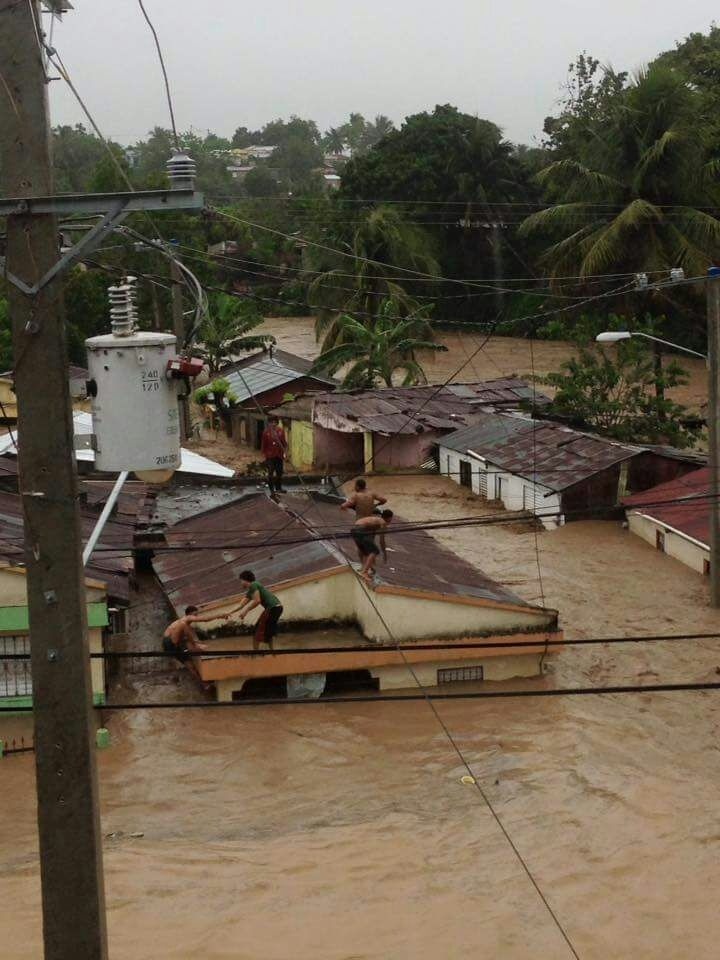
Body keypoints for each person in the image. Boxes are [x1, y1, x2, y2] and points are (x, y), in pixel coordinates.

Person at [227, 571, 284, 650]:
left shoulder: (254, 585)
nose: (241, 583)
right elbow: (241, 605)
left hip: (272, 608)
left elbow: (257, 600)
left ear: (245, 580)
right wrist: (228, 612)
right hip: (277, 608)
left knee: (257, 631)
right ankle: (272, 653)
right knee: (267, 631)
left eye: (241, 581)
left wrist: (245, 611)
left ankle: (256, 654)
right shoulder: (251, 590)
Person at [162, 605, 227, 668]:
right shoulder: (187, 618)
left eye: (196, 615)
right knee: (195, 647)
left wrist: (196, 642)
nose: (196, 616)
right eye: (195, 614)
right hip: (169, 641)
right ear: (190, 613)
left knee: (189, 664)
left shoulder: (183, 622)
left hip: (168, 644)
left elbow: (185, 636)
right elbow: (205, 619)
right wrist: (220, 615)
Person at [350, 510, 393, 581]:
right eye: (391, 519)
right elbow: (381, 541)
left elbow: (371, 539)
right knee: (375, 551)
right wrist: (384, 554)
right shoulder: (383, 522)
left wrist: (372, 559)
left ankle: (363, 567)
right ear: (389, 518)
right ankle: (364, 572)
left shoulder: (375, 520)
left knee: (363, 549)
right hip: (361, 530)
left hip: (354, 530)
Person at [261, 415, 287, 494]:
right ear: (269, 423)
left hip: (279, 455)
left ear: (277, 423)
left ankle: (278, 488)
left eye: (275, 422)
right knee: (270, 473)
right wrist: (265, 455)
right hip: (270, 456)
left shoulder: (280, 431)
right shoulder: (266, 432)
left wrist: (285, 452)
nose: (273, 424)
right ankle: (271, 490)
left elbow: (284, 443)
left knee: (279, 472)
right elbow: (264, 445)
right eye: (271, 422)